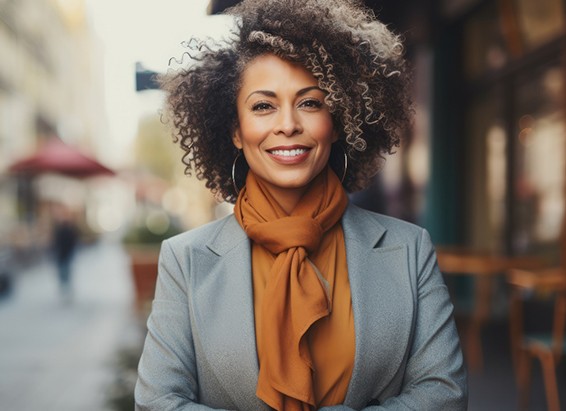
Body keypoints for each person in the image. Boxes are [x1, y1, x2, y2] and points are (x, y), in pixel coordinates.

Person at [135, 0, 468, 410]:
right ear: (236, 131)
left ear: (339, 120)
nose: (288, 124)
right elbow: (158, 401)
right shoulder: (185, 260)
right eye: (263, 106)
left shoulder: (410, 249)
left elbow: (444, 393)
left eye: (310, 102)